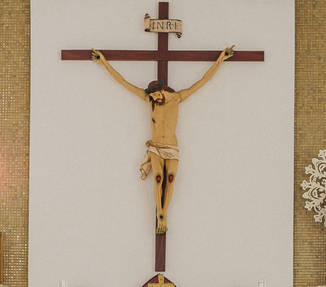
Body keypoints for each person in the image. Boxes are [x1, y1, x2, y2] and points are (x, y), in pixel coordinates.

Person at [92, 46, 234, 234]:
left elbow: (203, 80)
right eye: (151, 96)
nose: (153, 99)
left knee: (170, 178)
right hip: (156, 146)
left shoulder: (177, 98)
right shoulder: (148, 99)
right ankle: (161, 214)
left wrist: (220, 60)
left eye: (155, 95)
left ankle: (164, 212)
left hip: (172, 146)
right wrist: (103, 62)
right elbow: (123, 82)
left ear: (161, 90)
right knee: (158, 179)